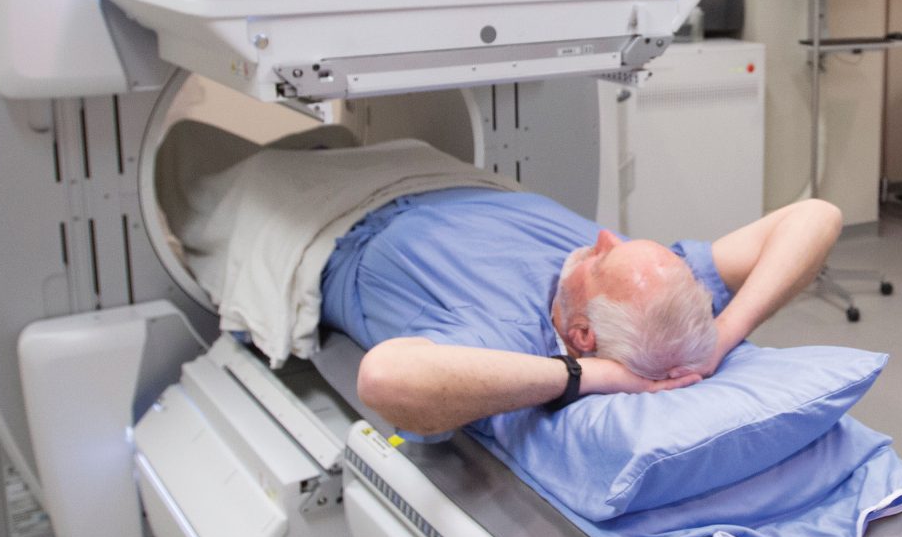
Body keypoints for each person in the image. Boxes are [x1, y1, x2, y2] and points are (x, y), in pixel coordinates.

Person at [342, 186, 847, 436]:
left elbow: (384, 378)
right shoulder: (655, 291)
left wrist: (587, 376)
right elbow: (818, 215)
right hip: (448, 181)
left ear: (581, 335)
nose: (603, 237)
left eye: (603, 259)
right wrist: (724, 334)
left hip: (337, 216)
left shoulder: (503, 337)